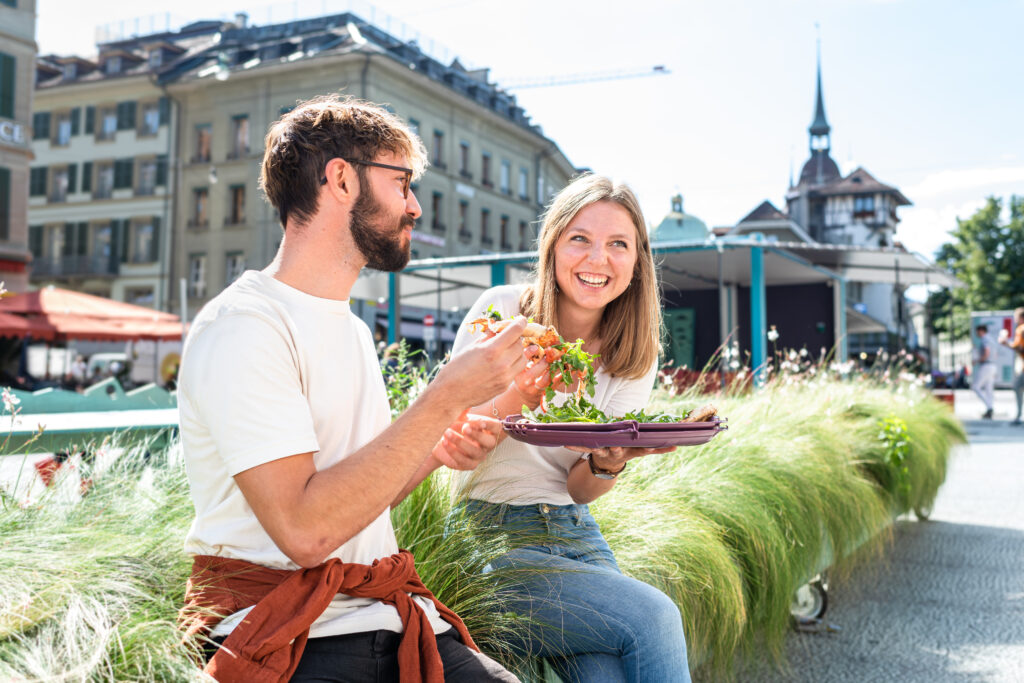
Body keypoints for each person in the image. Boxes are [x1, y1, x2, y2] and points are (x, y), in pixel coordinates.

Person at [176, 96, 529, 683]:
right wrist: (442, 397)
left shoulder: (354, 331)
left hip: (376, 614)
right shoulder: (245, 326)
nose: (414, 206)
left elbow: (359, 502)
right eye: (401, 183)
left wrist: (437, 448)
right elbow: (306, 532)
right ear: (341, 179)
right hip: (280, 627)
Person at [450, 174, 691, 683]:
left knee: (604, 674)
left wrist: (607, 461)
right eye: (580, 238)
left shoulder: (632, 355)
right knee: (656, 618)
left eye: (617, 244)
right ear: (553, 245)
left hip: (575, 534)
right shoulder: (502, 313)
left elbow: (579, 490)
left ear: (637, 260)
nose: (597, 259)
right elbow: (453, 430)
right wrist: (520, 393)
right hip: (491, 536)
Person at [999, 307, 1024, 425]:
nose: (1014, 320)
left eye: (1016, 317)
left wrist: (1005, 343)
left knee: (1017, 386)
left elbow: (1020, 348)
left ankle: (1018, 415)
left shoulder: (1021, 329)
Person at [972, 324, 997, 419]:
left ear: (981, 330)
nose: (976, 334)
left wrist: (978, 360)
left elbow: (987, 352)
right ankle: (989, 409)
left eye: (977, 331)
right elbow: (995, 354)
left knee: (975, 387)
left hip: (986, 365)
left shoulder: (985, 339)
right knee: (988, 389)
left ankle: (989, 407)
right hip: (992, 365)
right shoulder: (991, 339)